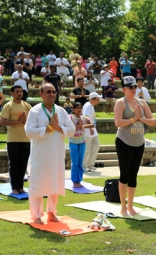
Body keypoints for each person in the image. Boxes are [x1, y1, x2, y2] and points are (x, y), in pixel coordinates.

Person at [25, 83, 76, 224]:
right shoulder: (34, 111)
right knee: (37, 184)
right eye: (48, 91)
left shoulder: (61, 111)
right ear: (41, 94)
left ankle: (52, 212)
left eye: (54, 92)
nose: (52, 94)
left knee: (55, 183)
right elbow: (29, 132)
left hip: (56, 154)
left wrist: (57, 127)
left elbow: (71, 130)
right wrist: (48, 127)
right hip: (40, 155)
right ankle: (36, 215)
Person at [114, 76, 156, 216]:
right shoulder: (121, 103)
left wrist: (140, 118)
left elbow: (153, 121)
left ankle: (131, 206)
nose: (133, 89)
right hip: (124, 141)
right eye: (130, 87)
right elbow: (118, 123)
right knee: (124, 174)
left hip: (139, 142)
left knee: (133, 175)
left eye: (135, 87)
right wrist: (133, 118)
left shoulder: (142, 103)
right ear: (124, 89)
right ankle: (123, 206)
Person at [0, 85, 31, 194]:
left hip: (26, 139)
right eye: (17, 92)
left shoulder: (26, 105)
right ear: (12, 93)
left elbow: (31, 121)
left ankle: (20, 186)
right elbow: (2, 121)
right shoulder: (8, 106)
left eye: (21, 91)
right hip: (13, 139)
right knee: (14, 164)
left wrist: (25, 120)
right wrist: (17, 122)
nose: (19, 93)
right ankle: (14, 187)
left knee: (23, 164)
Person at [69, 102, 94, 187]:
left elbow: (92, 124)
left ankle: (79, 180)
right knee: (75, 162)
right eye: (77, 108)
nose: (79, 109)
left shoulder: (84, 118)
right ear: (73, 109)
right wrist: (78, 125)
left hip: (82, 142)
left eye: (80, 108)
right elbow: (70, 128)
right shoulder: (70, 118)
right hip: (73, 142)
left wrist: (83, 126)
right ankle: (74, 181)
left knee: (80, 162)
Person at [83, 92, 102, 172]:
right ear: (93, 99)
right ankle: (84, 166)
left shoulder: (91, 106)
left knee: (96, 145)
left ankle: (90, 164)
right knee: (86, 149)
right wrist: (90, 128)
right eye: (98, 99)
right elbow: (85, 117)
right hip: (88, 130)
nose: (99, 100)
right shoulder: (88, 106)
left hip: (93, 130)